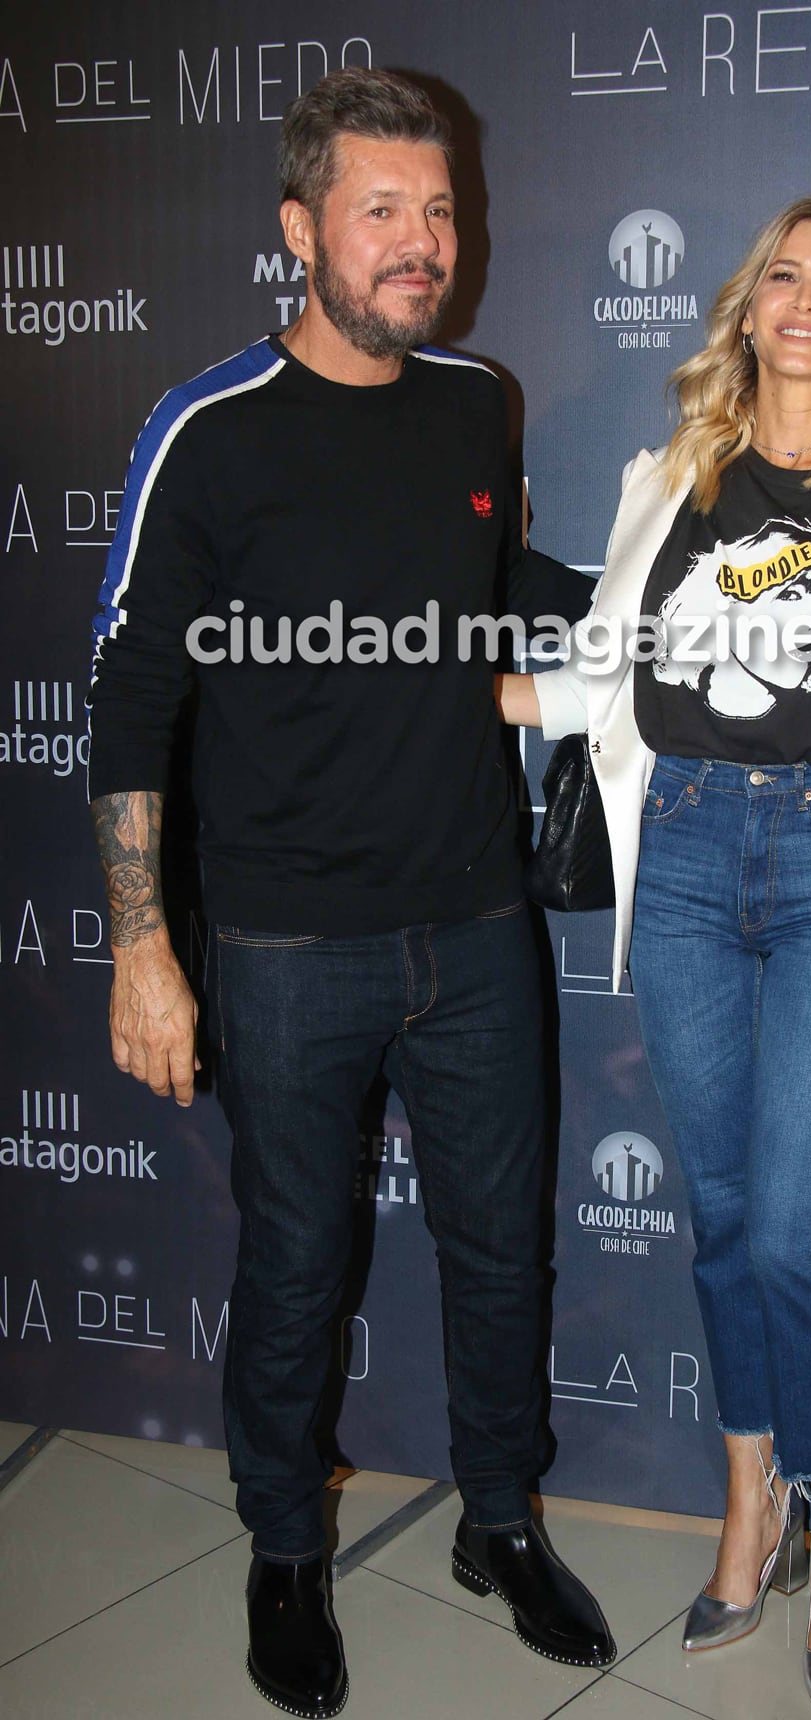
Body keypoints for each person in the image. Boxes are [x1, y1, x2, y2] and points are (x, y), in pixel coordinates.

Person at [88, 67, 614, 1720]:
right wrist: (141, 951)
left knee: (500, 1256)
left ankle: (503, 1522)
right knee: (296, 1267)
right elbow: (129, 696)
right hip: (282, 943)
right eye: (383, 211)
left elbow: (488, 585)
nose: (421, 245)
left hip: (474, 927)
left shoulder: (478, 401)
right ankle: (282, 1555)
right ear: (301, 228)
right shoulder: (206, 430)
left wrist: (646, 604)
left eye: (440, 210)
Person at [499, 196, 811, 1714]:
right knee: (718, 1217)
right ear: (749, 302)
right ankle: (747, 1495)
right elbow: (595, 679)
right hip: (691, 857)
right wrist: (444, 696)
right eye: (785, 272)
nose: (806, 299)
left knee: (789, 1228)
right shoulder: (674, 470)